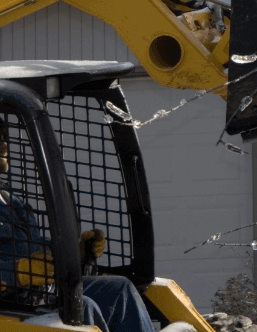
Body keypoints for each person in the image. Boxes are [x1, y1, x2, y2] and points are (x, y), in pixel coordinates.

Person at [0, 121, 157, 332]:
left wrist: (77, 253)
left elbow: (32, 247)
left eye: (3, 136)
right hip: (8, 303)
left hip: (37, 293)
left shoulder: (9, 201)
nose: (4, 145)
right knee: (81, 307)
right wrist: (16, 272)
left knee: (120, 288)